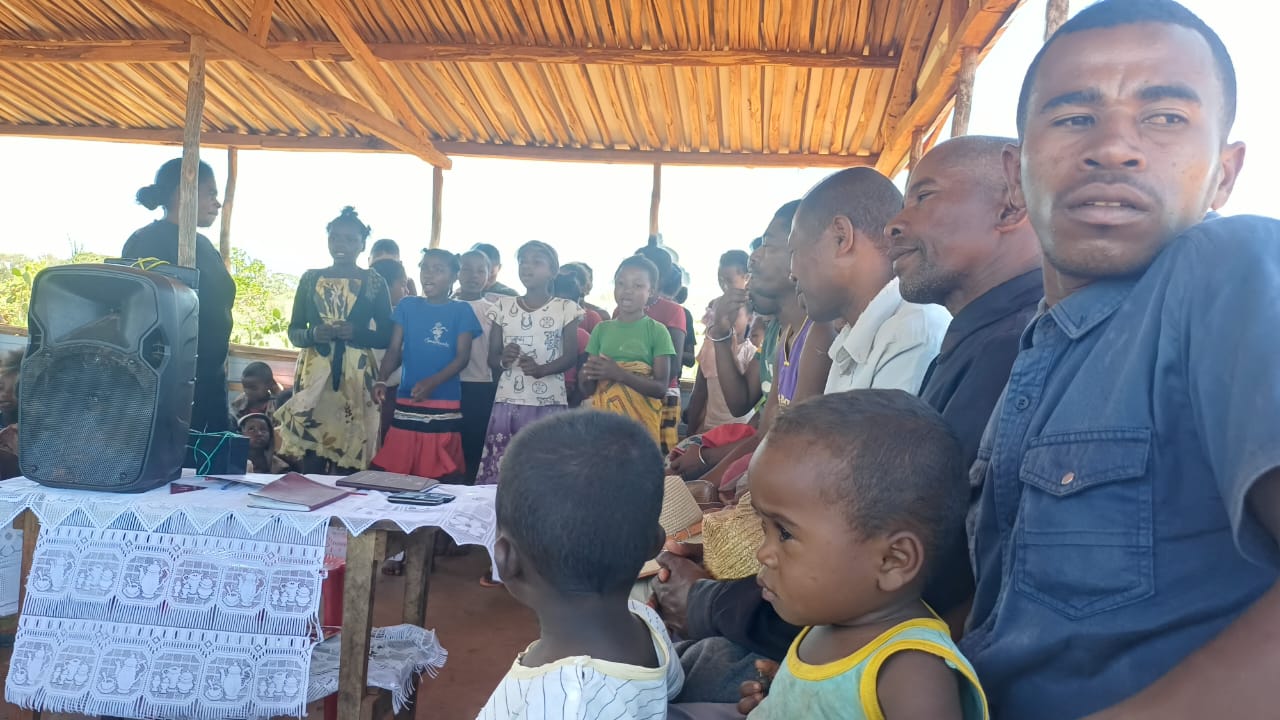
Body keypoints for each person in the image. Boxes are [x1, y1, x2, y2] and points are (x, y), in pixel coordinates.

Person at [964, 3, 1280, 719]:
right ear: (1015, 173)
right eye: (1075, 117)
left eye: (1165, 117)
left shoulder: (1230, 270)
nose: (1113, 148)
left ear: (1225, 174)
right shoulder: (1041, 350)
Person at [732, 391, 986, 719]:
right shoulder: (834, 619)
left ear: (893, 560)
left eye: (785, 533)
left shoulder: (912, 676)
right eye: (763, 527)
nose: (763, 552)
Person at [884, 135, 1044, 633]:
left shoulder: (1014, 347)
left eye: (923, 196)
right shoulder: (976, 338)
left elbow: (935, 569)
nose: (895, 224)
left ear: (1010, 207)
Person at [477, 410, 683, 719]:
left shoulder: (564, 704)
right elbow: (673, 689)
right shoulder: (647, 623)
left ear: (506, 560)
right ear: (654, 544)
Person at [788, 167, 951, 395]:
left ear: (841, 237)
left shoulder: (912, 333)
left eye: (794, 252)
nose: (792, 273)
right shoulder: (853, 336)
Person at [274, 207, 392, 474]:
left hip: (356, 377)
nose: (341, 245)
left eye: (350, 239)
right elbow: (294, 330)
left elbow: (386, 335)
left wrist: (357, 333)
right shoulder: (310, 279)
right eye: (335, 238)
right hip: (314, 374)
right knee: (313, 452)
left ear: (363, 245)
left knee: (350, 456)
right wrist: (313, 334)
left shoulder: (374, 281)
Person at [123, 158, 236, 433]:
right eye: (210, 193)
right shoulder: (146, 242)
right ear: (184, 192)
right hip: (167, 385)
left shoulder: (204, 245)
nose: (217, 203)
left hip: (208, 381)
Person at [475, 241, 582, 485]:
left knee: (543, 468)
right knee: (504, 467)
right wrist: (504, 358)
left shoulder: (566, 309)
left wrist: (541, 370)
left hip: (548, 402)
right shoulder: (503, 307)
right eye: (523, 261)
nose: (527, 267)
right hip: (508, 401)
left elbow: (570, 357)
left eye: (536, 262)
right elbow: (492, 358)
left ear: (553, 271)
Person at [371, 249, 481, 480]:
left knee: (437, 474)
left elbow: (462, 357)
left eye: (438, 269)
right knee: (398, 471)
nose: (429, 274)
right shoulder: (407, 306)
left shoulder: (461, 310)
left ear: (454, 276)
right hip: (407, 398)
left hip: (444, 400)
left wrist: (433, 382)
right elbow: (394, 349)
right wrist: (381, 379)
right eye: (425, 268)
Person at [580, 256, 676, 441]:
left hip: (640, 427)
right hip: (604, 426)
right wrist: (585, 377)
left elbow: (660, 388)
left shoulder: (657, 331)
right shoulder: (601, 329)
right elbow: (589, 388)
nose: (627, 290)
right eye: (621, 283)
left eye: (638, 285)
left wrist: (620, 374)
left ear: (651, 291)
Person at [686, 250, 753, 434]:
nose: (724, 286)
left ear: (747, 277)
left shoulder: (756, 312)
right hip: (711, 423)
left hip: (741, 427)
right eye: (720, 279)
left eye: (729, 280)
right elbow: (701, 386)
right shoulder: (715, 306)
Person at [633, 242, 687, 455]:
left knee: (660, 456)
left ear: (658, 278)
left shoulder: (673, 311)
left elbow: (674, 366)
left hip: (662, 393)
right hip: (628, 390)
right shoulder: (622, 309)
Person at [455, 249, 498, 484]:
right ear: (457, 272)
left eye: (480, 270)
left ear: (489, 275)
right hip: (446, 386)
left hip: (480, 386)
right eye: (467, 269)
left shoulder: (493, 310)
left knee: (473, 446)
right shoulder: (446, 306)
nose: (473, 275)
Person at [371, 258, 411, 442]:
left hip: (390, 391)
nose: (407, 291)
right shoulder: (390, 318)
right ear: (384, 287)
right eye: (403, 285)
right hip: (383, 390)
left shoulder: (403, 316)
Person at [552, 273, 592, 408]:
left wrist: (570, 409)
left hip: (568, 402)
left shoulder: (582, 337)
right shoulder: (534, 333)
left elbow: (582, 385)